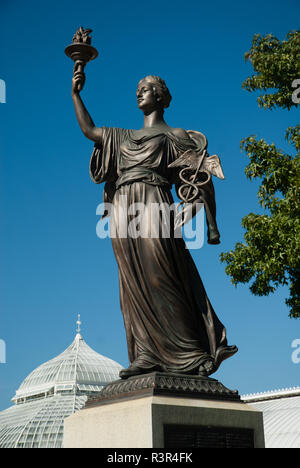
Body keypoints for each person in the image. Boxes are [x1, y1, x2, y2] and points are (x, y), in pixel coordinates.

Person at [71, 71, 238, 379]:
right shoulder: (122, 137)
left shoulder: (173, 135)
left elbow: (198, 177)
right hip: (123, 209)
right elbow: (90, 130)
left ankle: (191, 352)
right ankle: (146, 353)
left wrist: (192, 207)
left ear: (160, 96)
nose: (140, 93)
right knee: (132, 282)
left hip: (155, 202)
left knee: (162, 275)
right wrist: (76, 94)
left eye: (146, 89)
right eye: (138, 89)